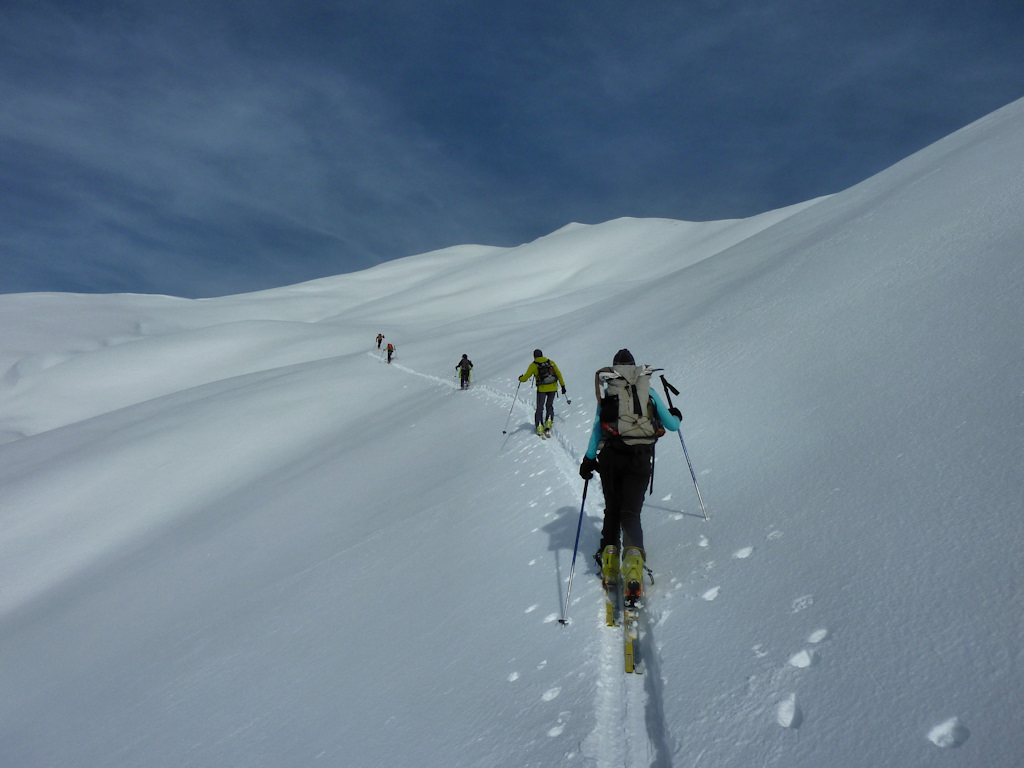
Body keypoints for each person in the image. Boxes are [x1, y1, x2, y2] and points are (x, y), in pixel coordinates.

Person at [578, 349, 681, 600]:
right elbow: (673, 425)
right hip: (640, 459)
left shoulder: (610, 391)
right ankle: (634, 566)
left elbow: (596, 430)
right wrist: (675, 414)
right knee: (631, 512)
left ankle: (610, 563)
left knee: (612, 509)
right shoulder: (648, 390)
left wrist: (589, 459)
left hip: (611, 459)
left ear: (614, 369)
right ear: (634, 368)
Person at [518, 349, 566, 436]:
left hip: (542, 389)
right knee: (549, 405)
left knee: (540, 408)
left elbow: (525, 378)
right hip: (553, 387)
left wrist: (520, 379)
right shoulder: (550, 362)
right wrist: (563, 386)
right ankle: (548, 422)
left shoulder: (533, 365)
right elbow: (558, 374)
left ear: (534, 356)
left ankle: (539, 427)